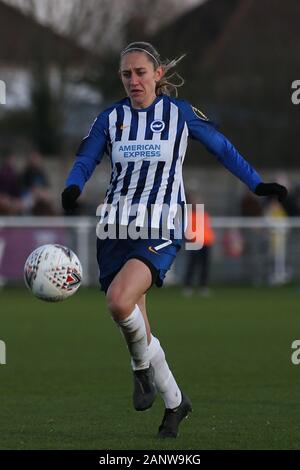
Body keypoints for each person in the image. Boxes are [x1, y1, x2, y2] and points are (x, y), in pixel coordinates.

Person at [61, 41, 287, 438]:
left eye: (141, 72)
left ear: (158, 74)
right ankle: (175, 403)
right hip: (116, 227)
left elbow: (223, 149)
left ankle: (140, 370)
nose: (133, 80)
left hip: (162, 225)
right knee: (134, 322)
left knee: (118, 301)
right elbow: (86, 159)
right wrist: (72, 187)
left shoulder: (179, 114)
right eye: (126, 74)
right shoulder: (110, 119)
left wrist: (257, 183)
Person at [183, 200, 215, 297]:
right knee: (192, 265)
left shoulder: (204, 215)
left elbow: (208, 229)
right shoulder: (190, 216)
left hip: (206, 243)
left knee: (204, 266)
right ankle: (188, 286)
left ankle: (203, 286)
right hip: (195, 243)